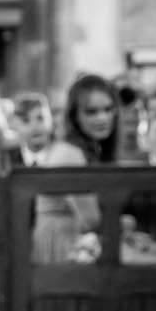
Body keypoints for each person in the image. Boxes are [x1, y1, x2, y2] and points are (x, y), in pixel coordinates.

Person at [32, 72, 118, 262]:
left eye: (108, 109)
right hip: (64, 243)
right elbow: (91, 220)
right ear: (75, 115)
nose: (102, 118)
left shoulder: (86, 148)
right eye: (91, 112)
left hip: (79, 242)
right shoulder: (69, 154)